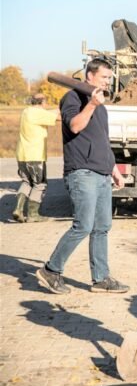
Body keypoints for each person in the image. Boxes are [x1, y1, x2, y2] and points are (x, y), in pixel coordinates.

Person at [36, 58, 129, 295]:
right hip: (82, 172)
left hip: (101, 173)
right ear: (90, 76)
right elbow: (75, 126)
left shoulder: (102, 107)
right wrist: (91, 106)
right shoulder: (73, 98)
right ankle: (51, 270)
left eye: (110, 77)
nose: (109, 81)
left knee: (102, 227)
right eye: (104, 77)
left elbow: (103, 142)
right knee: (83, 225)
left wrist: (114, 170)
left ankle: (101, 279)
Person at [13, 93, 59, 222]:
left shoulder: (26, 111)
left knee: (26, 182)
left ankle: (18, 209)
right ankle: (33, 215)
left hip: (22, 154)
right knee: (39, 184)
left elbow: (49, 113)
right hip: (35, 155)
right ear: (42, 102)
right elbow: (59, 117)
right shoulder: (38, 114)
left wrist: (56, 109)